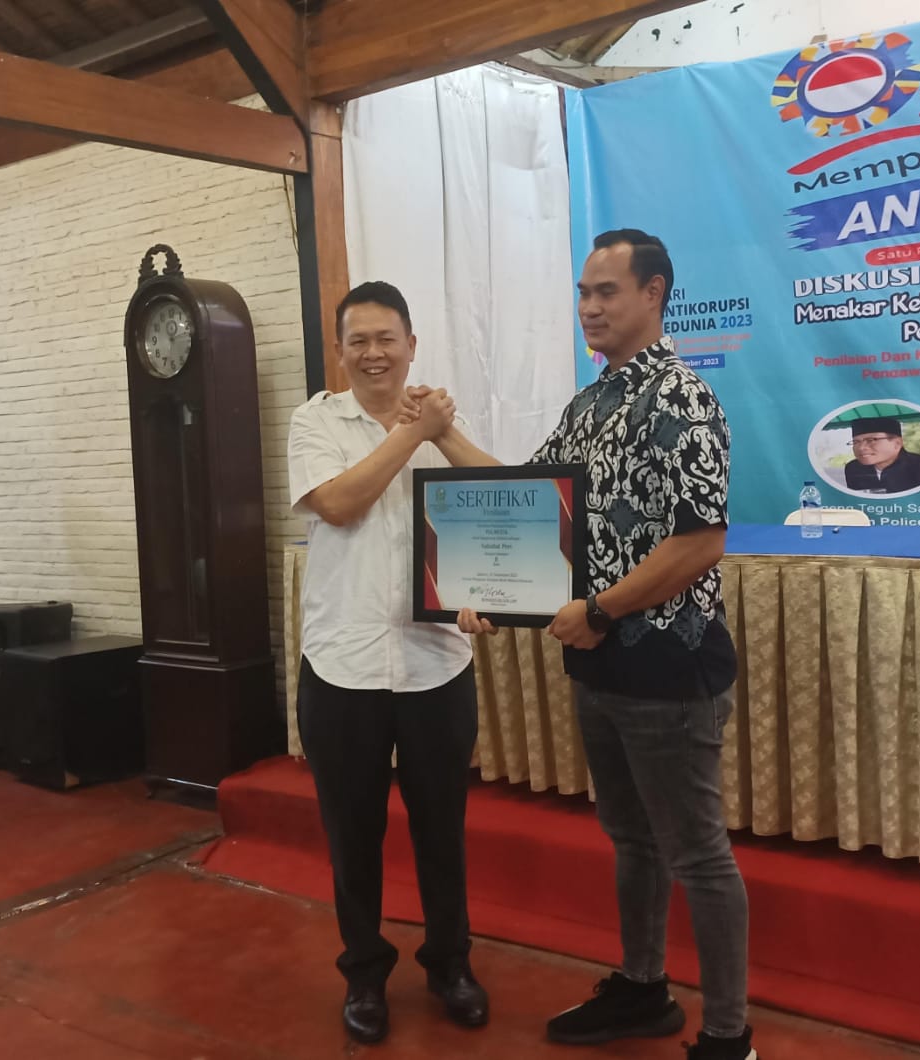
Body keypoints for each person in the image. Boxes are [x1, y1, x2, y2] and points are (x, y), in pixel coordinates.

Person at [424, 229, 756, 1060]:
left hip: (668, 665)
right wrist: (441, 435)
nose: (590, 307)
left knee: (697, 854)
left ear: (654, 293)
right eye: (583, 292)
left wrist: (601, 609)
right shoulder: (593, 402)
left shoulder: (681, 397)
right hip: (602, 666)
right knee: (632, 837)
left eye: (607, 291)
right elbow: (524, 499)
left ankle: (729, 1037)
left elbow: (700, 541)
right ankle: (644, 988)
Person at [285, 281, 488, 1045]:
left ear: (411, 344)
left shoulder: (441, 418)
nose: (374, 353)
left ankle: (451, 964)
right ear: (341, 351)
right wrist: (414, 432)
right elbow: (339, 504)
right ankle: (365, 975)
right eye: (358, 341)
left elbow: (503, 501)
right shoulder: (316, 420)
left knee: (443, 831)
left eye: (386, 339)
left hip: (437, 662)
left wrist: (443, 432)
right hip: (343, 664)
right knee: (353, 834)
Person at [841, 416, 920, 493]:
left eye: (871, 440)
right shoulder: (853, 468)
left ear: (897, 443)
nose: (861, 447)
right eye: (856, 442)